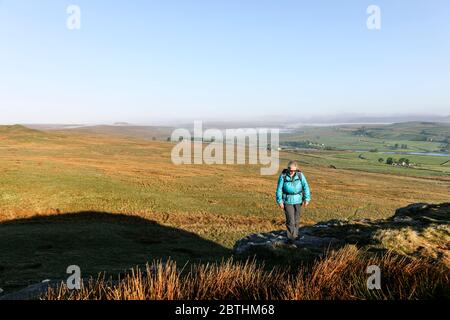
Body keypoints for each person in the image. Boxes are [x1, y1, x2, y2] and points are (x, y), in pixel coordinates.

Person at [276, 160, 311, 244]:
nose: (292, 172)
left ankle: (295, 235)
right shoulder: (283, 176)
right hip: (287, 201)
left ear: (296, 170)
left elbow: (305, 186)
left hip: (298, 200)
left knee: (297, 219)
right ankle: (291, 238)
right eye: (290, 170)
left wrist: (307, 199)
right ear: (288, 168)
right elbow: (279, 189)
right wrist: (280, 201)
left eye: (294, 170)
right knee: (290, 219)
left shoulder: (300, 175)